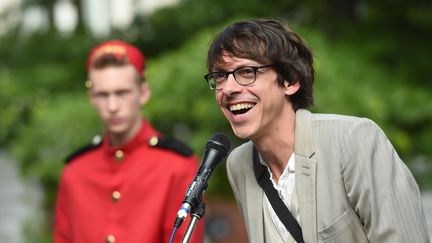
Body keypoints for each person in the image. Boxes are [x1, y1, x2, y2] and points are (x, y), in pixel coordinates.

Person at [204, 18, 430, 242]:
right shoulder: (239, 164)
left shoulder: (352, 140)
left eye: (246, 72)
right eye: (220, 76)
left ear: (290, 81)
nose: (229, 88)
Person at [54, 40, 204, 243]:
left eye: (122, 93)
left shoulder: (177, 165)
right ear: (91, 97)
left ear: (143, 93)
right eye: (103, 95)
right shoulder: (75, 171)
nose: (113, 106)